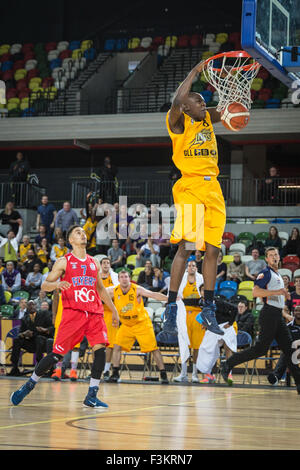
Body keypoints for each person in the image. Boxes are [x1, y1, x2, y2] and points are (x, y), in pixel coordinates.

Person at [10, 224, 119, 408]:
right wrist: (57, 286)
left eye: (84, 232)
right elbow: (45, 285)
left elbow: (100, 288)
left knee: (100, 350)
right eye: (78, 232)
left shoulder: (93, 262)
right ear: (71, 240)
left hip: (94, 313)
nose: (83, 234)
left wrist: (114, 310)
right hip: (73, 314)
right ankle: (30, 383)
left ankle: (92, 394)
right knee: (56, 356)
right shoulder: (64, 261)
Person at [161, 58, 226, 339]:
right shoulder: (178, 122)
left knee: (212, 251)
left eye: (204, 103)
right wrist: (196, 72)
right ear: (187, 107)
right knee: (187, 248)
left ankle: (208, 306)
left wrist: (235, 102)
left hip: (214, 191)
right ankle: (171, 308)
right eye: (199, 102)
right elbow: (178, 99)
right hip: (190, 189)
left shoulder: (207, 118)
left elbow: (228, 112)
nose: (204, 105)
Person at [221, 247, 300, 395]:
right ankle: (228, 363)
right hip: (268, 314)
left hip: (277, 315)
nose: (275, 257)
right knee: (260, 349)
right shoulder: (265, 273)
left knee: (289, 350)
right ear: (267, 259)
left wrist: (284, 298)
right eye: (271, 255)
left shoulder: (277, 274)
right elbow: (255, 292)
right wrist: (277, 292)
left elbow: (275, 297)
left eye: (276, 254)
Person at [106, 270, 169, 384]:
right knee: (116, 346)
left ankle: (163, 373)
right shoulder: (113, 291)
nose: (124, 279)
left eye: (126, 276)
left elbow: (153, 295)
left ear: (129, 278)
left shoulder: (137, 289)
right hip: (126, 325)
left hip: (142, 324)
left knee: (153, 349)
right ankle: (115, 373)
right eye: (122, 277)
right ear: (118, 279)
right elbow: (98, 293)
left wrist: (169, 299)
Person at [174, 260, 205, 383]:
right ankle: (183, 373)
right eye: (189, 265)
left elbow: (205, 297)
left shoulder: (201, 279)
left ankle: (195, 374)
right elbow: (176, 295)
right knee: (184, 345)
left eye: (193, 265)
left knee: (197, 346)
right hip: (184, 315)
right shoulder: (182, 280)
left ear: (196, 268)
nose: (191, 267)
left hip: (198, 316)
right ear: (187, 268)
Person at [197, 297, 238, 383]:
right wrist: (205, 324)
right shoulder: (202, 303)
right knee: (205, 349)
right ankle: (209, 375)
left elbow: (234, 309)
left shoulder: (219, 303)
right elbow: (203, 316)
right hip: (213, 327)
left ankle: (229, 373)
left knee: (228, 347)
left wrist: (230, 323)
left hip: (225, 326)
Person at [7, 300, 54, 377]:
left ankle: (39, 367)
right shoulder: (24, 318)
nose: (31, 306)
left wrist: (45, 330)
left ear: (36, 306)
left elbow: (52, 327)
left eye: (33, 305)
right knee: (17, 340)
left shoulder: (44, 314)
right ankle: (14, 367)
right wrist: (24, 334)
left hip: (44, 343)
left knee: (39, 338)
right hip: (32, 343)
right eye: (29, 305)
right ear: (27, 307)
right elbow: (20, 333)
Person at [268, 305, 300, 386]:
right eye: (296, 310)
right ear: (293, 313)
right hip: (293, 351)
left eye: (299, 310)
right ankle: (275, 378)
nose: (298, 312)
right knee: (286, 352)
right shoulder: (288, 326)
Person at [100, 257, 119, 381]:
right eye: (104, 263)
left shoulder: (115, 278)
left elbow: (117, 295)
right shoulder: (96, 278)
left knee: (110, 344)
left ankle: (106, 370)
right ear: (101, 265)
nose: (106, 265)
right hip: (97, 313)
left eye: (108, 263)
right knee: (98, 344)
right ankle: (96, 370)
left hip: (111, 313)